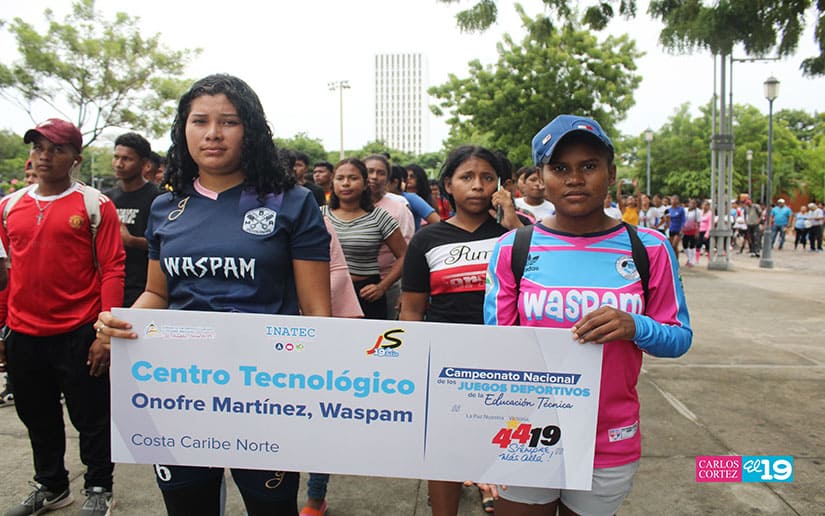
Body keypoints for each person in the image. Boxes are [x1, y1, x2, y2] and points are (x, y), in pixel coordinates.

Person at [95, 74, 332, 516]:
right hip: (178, 390)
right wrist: (119, 322)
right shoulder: (167, 206)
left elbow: (317, 311)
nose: (213, 133)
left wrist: (312, 388)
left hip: (266, 391)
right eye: (200, 121)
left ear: (251, 130)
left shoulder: (292, 202)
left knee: (271, 507)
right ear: (183, 130)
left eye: (229, 121)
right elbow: (156, 293)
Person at [484, 114, 692, 516]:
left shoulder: (649, 248)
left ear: (610, 174)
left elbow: (679, 337)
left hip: (608, 439)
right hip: (527, 431)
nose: (575, 179)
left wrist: (635, 325)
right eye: (560, 168)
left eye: (589, 166)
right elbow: (497, 345)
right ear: (541, 178)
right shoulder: (512, 248)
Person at [0, 118, 125, 516]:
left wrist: (104, 334)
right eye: (38, 148)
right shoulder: (9, 206)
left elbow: (112, 269)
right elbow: (6, 274)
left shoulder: (94, 205)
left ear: (76, 159)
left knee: (91, 418)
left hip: (78, 332)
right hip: (23, 334)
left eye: (56, 149)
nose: (44, 156)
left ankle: (99, 487)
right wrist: (2, 330)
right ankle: (51, 486)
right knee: (37, 416)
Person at [400, 145, 518, 516]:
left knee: (506, 447)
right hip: (445, 362)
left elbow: (536, 276)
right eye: (467, 177)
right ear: (448, 185)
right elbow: (412, 308)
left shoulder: (513, 235)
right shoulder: (427, 239)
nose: (478, 186)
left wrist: (513, 220)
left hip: (505, 360)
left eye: (487, 177)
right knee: (445, 452)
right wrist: (412, 361)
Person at [322, 158, 406, 320]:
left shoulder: (379, 216)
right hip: (327, 292)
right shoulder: (319, 215)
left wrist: (382, 287)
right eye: (340, 178)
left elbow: (405, 256)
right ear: (333, 183)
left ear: (365, 184)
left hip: (366, 295)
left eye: (353, 178)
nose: (346, 183)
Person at [106, 132, 161, 307]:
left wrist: (131, 241)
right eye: (116, 157)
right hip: (113, 285)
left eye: (127, 159)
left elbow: (167, 245)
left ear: (144, 164)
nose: (119, 164)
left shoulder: (159, 199)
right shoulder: (106, 199)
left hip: (146, 290)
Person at [363, 155, 414, 319]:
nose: (374, 177)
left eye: (381, 173)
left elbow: (407, 255)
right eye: (370, 171)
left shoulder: (398, 209)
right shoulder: (346, 206)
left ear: (387, 179)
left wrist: (384, 287)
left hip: (387, 284)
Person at [395, 164, 440, 229]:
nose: (408, 179)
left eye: (412, 176)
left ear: (420, 178)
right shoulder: (400, 197)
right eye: (406, 176)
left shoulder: (425, 199)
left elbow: (437, 221)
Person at [682, 198, 701, 266]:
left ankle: (691, 261)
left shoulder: (697, 211)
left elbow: (698, 222)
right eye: (691, 203)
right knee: (684, 245)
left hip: (693, 230)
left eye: (694, 203)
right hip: (685, 230)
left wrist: (697, 232)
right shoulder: (685, 210)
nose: (692, 204)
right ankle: (689, 258)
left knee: (692, 246)